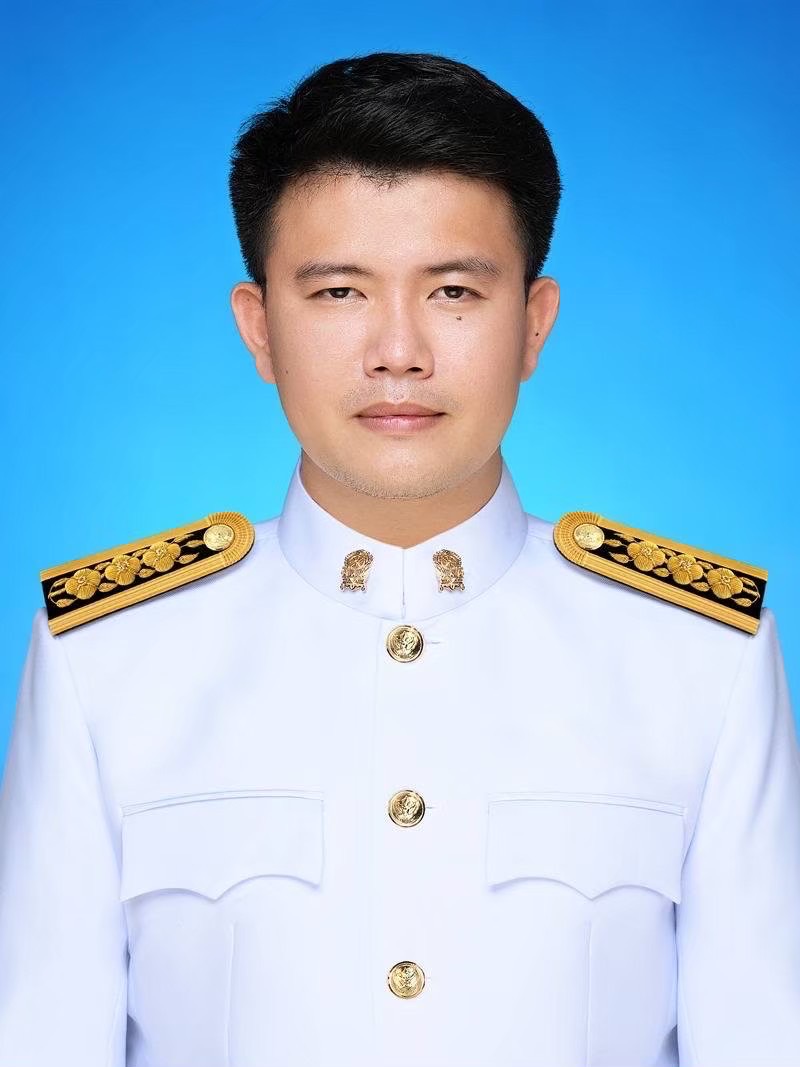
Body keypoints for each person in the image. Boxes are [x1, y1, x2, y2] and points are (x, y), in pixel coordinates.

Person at [0, 49, 798, 1067]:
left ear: (533, 324)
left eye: (454, 290)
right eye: (338, 292)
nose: (398, 351)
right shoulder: (105, 658)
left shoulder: (701, 655)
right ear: (259, 327)